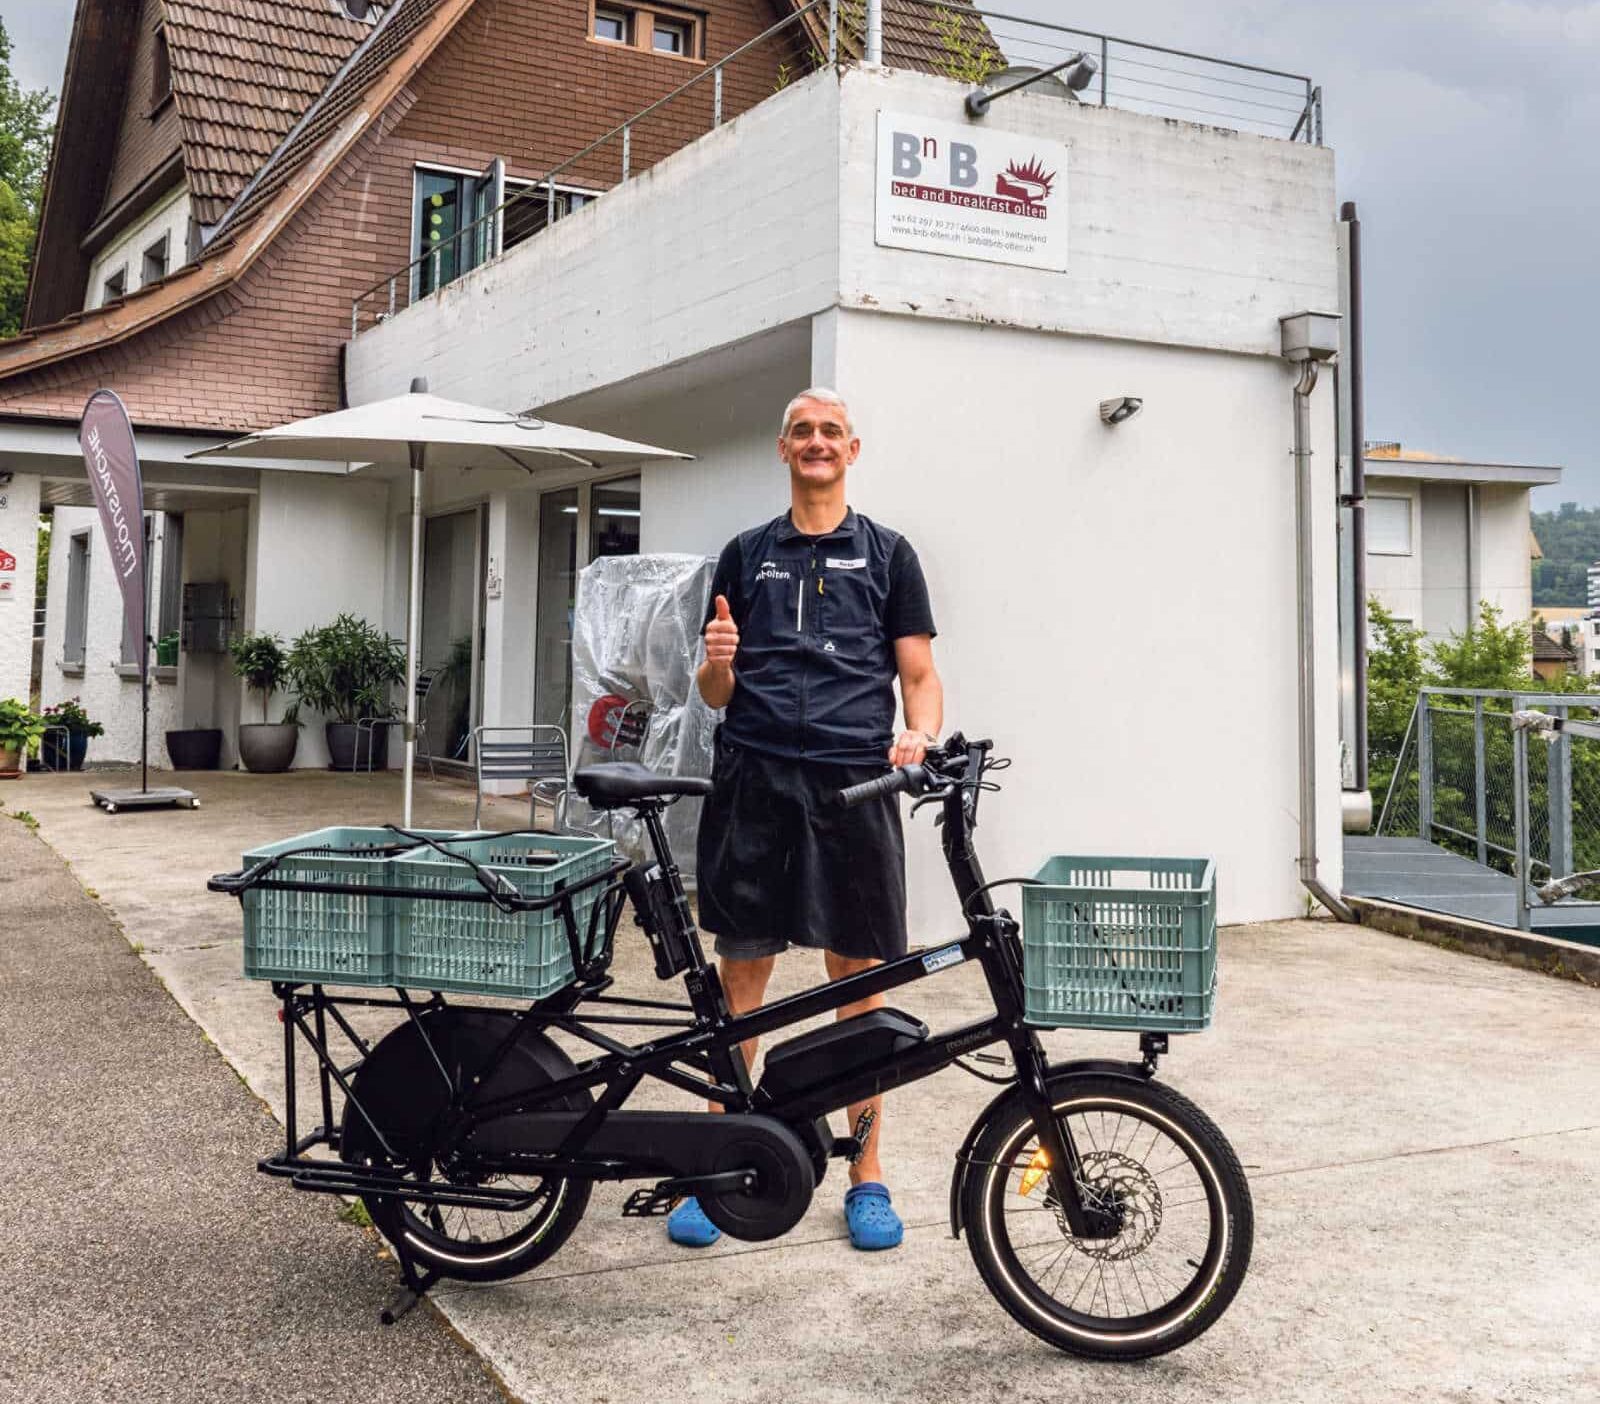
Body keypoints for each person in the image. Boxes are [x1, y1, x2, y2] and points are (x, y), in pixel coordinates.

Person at [668, 387, 943, 1253]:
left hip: (852, 789)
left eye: (831, 432)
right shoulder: (745, 555)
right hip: (752, 782)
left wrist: (920, 733)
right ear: (782, 450)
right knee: (740, 978)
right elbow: (716, 694)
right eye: (802, 433)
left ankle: (866, 1177)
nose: (817, 443)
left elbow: (919, 675)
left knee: (857, 987)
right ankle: (717, 1165)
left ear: (851, 450)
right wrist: (718, 665)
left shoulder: (891, 556)